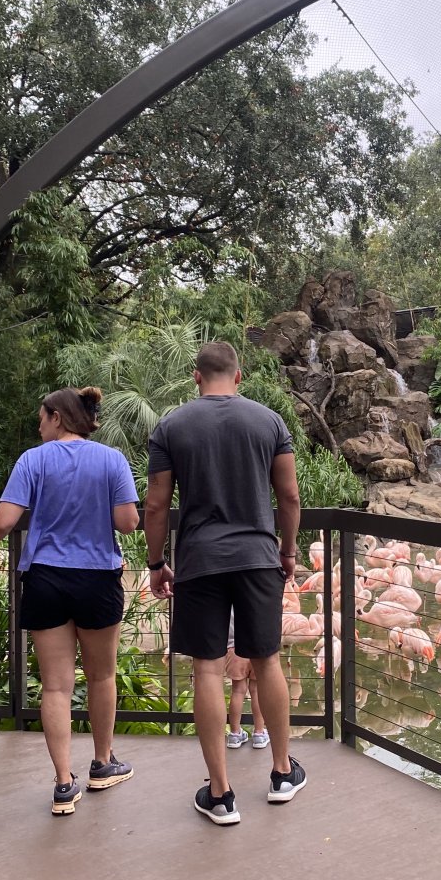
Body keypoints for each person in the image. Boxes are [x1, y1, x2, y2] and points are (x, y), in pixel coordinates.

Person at [145, 341, 304, 826]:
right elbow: (290, 495)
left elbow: (155, 505)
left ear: (197, 376)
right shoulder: (269, 421)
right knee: (267, 660)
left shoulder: (171, 425)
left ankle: (221, 794)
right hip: (258, 559)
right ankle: (280, 774)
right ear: (239, 377)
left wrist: (155, 563)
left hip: (199, 560)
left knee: (208, 671)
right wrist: (288, 551)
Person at [0, 386, 141, 816]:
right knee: (102, 676)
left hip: (45, 578)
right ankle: (103, 763)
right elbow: (128, 523)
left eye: (41, 418)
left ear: (58, 418)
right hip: (97, 578)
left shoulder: (32, 460)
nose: (38, 425)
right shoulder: (111, 460)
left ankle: (64, 785)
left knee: (56, 686)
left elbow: (5, 519)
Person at [224, 612, 269, 750]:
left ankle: (235, 734)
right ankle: (259, 734)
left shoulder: (228, 600)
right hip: (257, 646)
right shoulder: (256, 596)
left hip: (234, 649)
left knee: (237, 691)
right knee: (256, 691)